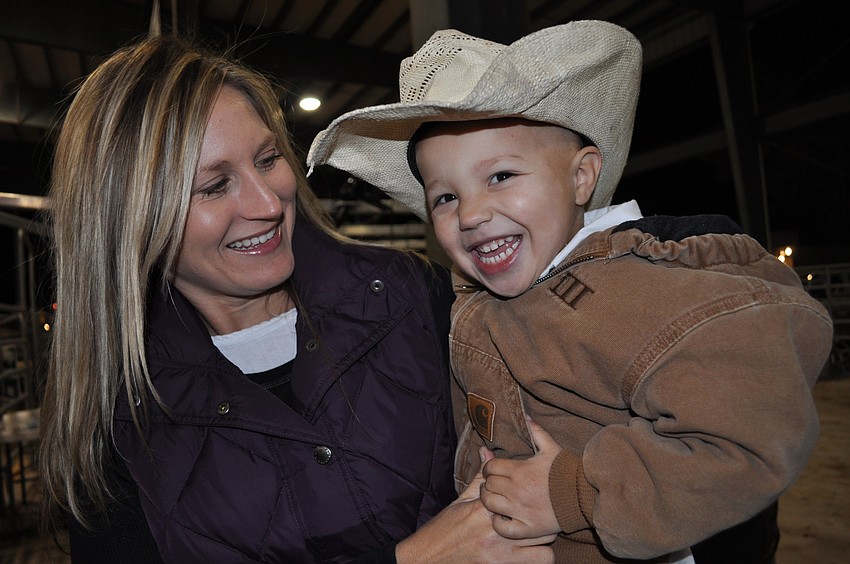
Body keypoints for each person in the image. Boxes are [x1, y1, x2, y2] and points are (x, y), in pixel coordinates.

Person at [306, 21, 834, 563]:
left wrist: (572, 494)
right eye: (444, 198)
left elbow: (747, 441)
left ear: (582, 178)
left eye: (501, 176)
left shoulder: (642, 293)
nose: (470, 214)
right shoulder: (477, 304)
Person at [38, 34, 556, 563]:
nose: (267, 203)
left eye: (267, 159)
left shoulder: (409, 294)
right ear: (132, 222)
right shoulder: (121, 428)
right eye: (215, 186)